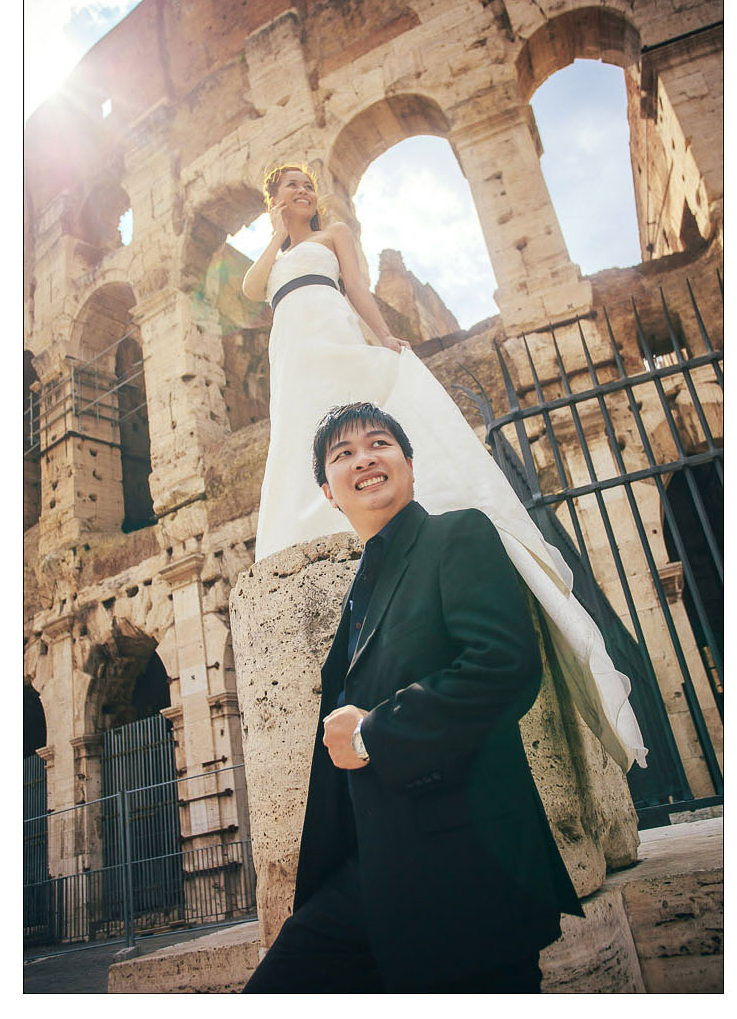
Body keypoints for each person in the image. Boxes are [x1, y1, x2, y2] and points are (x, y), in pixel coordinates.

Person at [241, 163, 644, 771]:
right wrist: (279, 232)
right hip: (291, 342)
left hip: (328, 321)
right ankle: (316, 518)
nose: (304, 192)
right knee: (303, 423)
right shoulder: (277, 254)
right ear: (274, 200)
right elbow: (250, 289)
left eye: (308, 186)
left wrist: (381, 337)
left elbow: (357, 289)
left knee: (356, 410)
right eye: (291, 187)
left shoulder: (335, 236)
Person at [243, 403, 583, 992]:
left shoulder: (458, 534)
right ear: (329, 491)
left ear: (408, 465)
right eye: (342, 454)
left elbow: (503, 666)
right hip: (367, 876)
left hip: (465, 871)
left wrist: (375, 733)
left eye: (380, 444)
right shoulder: (359, 591)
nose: (365, 458)